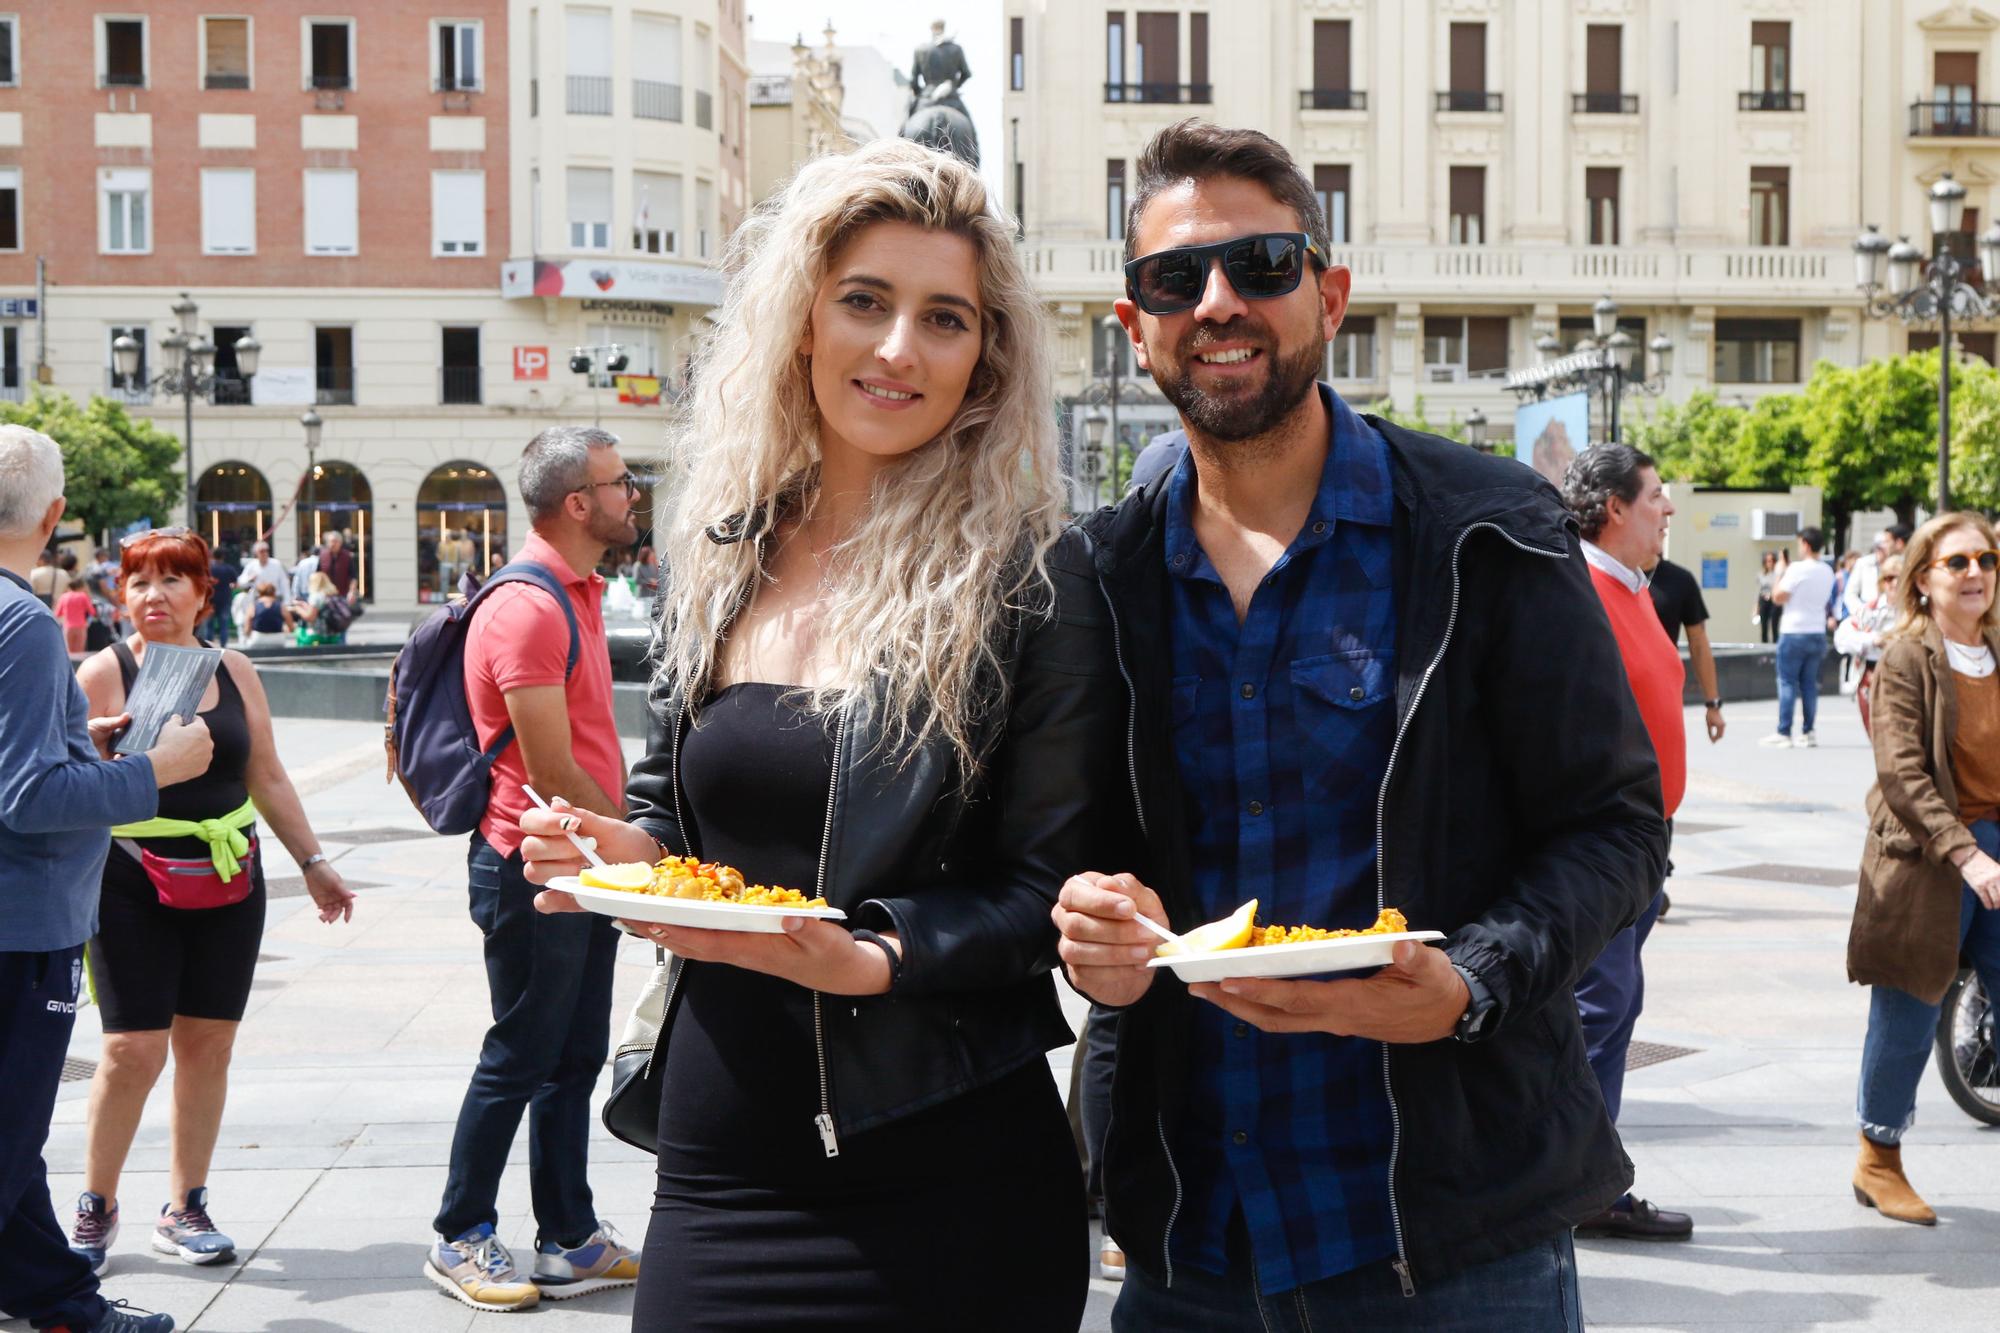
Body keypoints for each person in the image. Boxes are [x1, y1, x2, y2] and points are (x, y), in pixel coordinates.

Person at [1051, 120, 1665, 1329]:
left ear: (1328, 295)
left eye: (1261, 266)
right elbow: (1060, 851)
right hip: (1190, 1241)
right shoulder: (1095, 572)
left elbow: (1611, 827)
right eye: (1175, 279)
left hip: (1447, 1235)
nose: (1218, 301)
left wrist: (1466, 984)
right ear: (1135, 329)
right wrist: (1080, 919)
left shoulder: (1484, 531)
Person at [518, 138, 1114, 1331]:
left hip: (945, 1169)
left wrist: (876, 953)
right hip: (719, 1153)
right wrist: (619, 851)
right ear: (801, 321)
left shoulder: (1033, 580)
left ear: (982, 361)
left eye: (944, 319)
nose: (898, 348)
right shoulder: (725, 549)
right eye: (864, 301)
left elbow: (1045, 884)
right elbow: (667, 803)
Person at [68, 528, 354, 1275]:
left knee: (208, 1044)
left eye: (172, 580)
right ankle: (96, 1204)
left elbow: (267, 772)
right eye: (138, 582)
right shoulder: (103, 671)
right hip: (130, 876)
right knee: (132, 1048)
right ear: (119, 594)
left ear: (203, 592)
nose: (153, 595)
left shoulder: (233, 668)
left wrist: (315, 862)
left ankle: (184, 1203)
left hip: (229, 874)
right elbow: (67, 781)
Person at [0, 423, 219, 1333]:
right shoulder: (25, 624)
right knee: (8, 1140)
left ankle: (59, 1302)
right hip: (24, 926)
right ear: (53, 516)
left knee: (13, 1140)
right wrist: (152, 772)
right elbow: (25, 797)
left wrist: (71, 743)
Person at [423, 426, 642, 1313]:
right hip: (531, 860)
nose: (634, 494)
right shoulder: (529, 605)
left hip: (575, 860)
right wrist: (636, 849)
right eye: (620, 482)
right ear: (579, 503)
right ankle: (460, 1232)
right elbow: (551, 766)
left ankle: (568, 1237)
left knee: (575, 1054)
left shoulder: (580, 590)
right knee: (520, 1052)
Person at [1846, 512, 2000, 1226]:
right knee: (1909, 1011)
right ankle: (1878, 1158)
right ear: (1922, 579)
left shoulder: (1998, 650)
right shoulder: (1907, 656)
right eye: (1958, 562)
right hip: (1928, 856)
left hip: (1994, 846)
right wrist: (1966, 852)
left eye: (1987, 560)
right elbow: (1902, 772)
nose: (1976, 573)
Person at [1563, 447, 1694, 1241]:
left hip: (1643, 840)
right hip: (1604, 840)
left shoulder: (1632, 586)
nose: (1667, 509)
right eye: (1655, 497)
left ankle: (1585, 1179)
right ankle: (1569, 1182)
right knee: (1600, 1005)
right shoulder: (1578, 591)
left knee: (1616, 1003)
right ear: (1613, 507)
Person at [1762, 527, 1836, 748]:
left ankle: (1784, 731)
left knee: (1786, 681)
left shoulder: (1796, 569)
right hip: (1816, 631)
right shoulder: (1827, 570)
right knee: (1809, 685)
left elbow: (1777, 597)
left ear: (1805, 543)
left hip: (1794, 631)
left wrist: (1779, 572)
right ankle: (1808, 731)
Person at [1649, 553, 1726, 744]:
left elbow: (1699, 643)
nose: (1664, 526)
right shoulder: (1603, 572)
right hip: (1615, 692)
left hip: (1663, 694)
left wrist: (1712, 704)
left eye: (1665, 521)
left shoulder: (1680, 579)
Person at [1835, 553, 1905, 734]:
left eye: (1899, 578)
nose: (1894, 583)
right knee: (1877, 737)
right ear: (1882, 582)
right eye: (1889, 578)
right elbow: (1841, 638)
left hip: (1904, 678)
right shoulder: (1870, 611)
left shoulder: (1914, 613)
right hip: (1871, 677)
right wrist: (1874, 640)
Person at [1844, 524, 1912, 620]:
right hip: (1867, 618)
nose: (1881, 545)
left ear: (1899, 543)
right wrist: (1861, 611)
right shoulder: (1865, 563)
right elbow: (1850, 594)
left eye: (1886, 541)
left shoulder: (1907, 565)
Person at [55, 575, 94, 656]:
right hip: (81, 626)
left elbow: (58, 613)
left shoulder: (64, 596)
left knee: (69, 653)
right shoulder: (83, 596)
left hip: (68, 627)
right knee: (79, 653)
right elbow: (92, 611)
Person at [244, 582, 287, 648]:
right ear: (274, 592)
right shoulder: (281, 606)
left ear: (259, 593)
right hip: (278, 639)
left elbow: (247, 629)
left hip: (258, 638)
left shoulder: (253, 606)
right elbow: (291, 627)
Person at [317, 530, 354, 599]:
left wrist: (351, 592)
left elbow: (353, 577)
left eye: (335, 541)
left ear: (340, 543)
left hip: (342, 595)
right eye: (330, 541)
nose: (332, 544)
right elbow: (318, 575)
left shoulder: (347, 556)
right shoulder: (322, 556)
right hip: (325, 595)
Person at [1756, 550, 1780, 643]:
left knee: (1774, 626)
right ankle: (1764, 649)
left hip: (1773, 600)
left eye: (1771, 561)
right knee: (1764, 627)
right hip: (1763, 601)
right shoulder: (1761, 574)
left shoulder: (1777, 574)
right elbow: (1759, 590)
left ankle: (1774, 648)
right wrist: (1756, 606)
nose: (1769, 563)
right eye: (1767, 561)